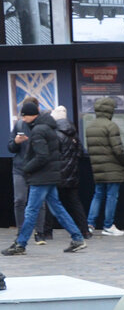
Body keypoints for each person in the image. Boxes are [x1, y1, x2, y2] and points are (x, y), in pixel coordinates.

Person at [2, 101, 87, 255]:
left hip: (41, 177)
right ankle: (77, 237)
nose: (23, 119)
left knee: (31, 210)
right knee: (57, 208)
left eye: (24, 115)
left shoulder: (38, 131)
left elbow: (41, 156)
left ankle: (20, 244)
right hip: (50, 175)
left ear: (30, 115)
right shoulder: (49, 128)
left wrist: (27, 169)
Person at [85, 96, 124, 236]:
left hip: (97, 168)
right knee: (111, 196)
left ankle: (90, 224)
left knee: (97, 195)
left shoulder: (90, 126)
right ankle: (108, 225)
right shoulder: (111, 126)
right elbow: (118, 149)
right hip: (113, 168)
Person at [9, 98, 48, 244]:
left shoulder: (42, 126)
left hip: (37, 168)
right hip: (20, 168)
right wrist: (16, 142)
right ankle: (21, 232)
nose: (24, 117)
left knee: (40, 201)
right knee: (20, 200)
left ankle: (40, 232)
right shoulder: (19, 124)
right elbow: (11, 147)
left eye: (26, 114)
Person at [50, 105, 90, 239]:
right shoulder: (73, 133)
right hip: (72, 174)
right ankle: (85, 230)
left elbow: (52, 154)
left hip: (57, 174)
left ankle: (46, 232)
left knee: (52, 202)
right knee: (75, 203)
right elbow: (80, 152)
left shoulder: (54, 133)